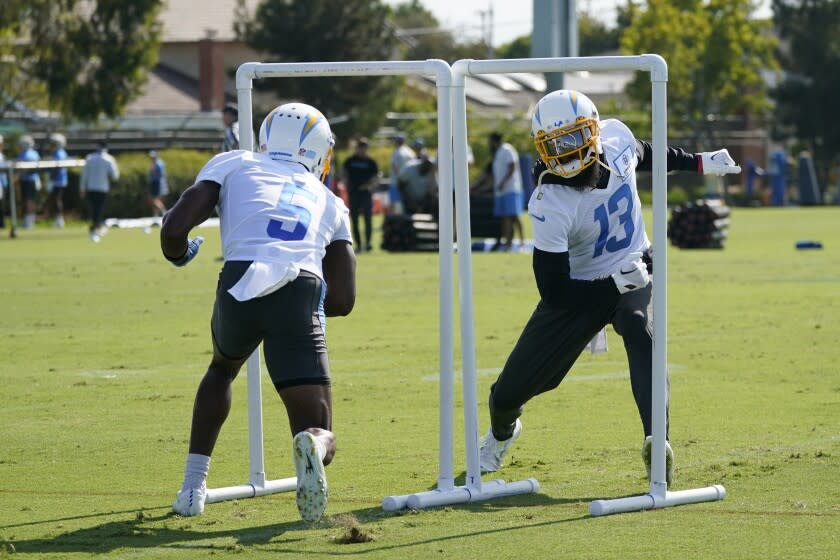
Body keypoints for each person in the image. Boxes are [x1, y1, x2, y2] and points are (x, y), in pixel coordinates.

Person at [478, 90, 742, 486]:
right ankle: (502, 433)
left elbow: (647, 152)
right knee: (506, 395)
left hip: (633, 265)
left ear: (595, 132)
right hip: (578, 289)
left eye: (573, 139)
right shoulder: (550, 200)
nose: (566, 154)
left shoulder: (616, 138)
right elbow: (554, 290)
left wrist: (700, 162)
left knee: (639, 325)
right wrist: (610, 286)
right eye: (555, 145)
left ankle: (658, 442)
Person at [161, 102, 356, 524]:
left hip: (240, 277)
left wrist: (179, 254)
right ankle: (314, 444)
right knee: (320, 430)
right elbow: (343, 300)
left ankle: (193, 488)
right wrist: (307, 309)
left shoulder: (234, 161)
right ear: (320, 151)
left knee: (221, 370)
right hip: (299, 285)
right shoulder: (330, 200)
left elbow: (175, 229)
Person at [341, 137, 379, 252]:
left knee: (368, 219)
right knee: (355, 220)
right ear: (357, 148)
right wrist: (346, 184)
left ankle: (368, 243)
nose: (362, 149)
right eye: (360, 147)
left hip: (366, 193)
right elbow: (343, 173)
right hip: (354, 193)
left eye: (364, 147)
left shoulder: (370, 162)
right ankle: (358, 244)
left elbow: (376, 176)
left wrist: (370, 185)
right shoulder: (350, 161)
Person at [80, 142, 119, 242]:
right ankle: (96, 228)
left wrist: (82, 188)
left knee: (94, 208)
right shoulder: (109, 159)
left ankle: (95, 227)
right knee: (99, 208)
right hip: (102, 188)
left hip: (91, 187)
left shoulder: (90, 158)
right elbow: (115, 176)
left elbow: (84, 175)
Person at [388, 132, 415, 214]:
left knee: (394, 203)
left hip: (397, 181)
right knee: (405, 203)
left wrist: (400, 177)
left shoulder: (397, 152)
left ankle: (393, 222)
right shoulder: (410, 152)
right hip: (408, 182)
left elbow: (395, 167)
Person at [17, 135, 41, 229]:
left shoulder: (32, 154)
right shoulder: (23, 153)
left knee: (29, 201)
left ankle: (29, 221)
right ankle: (27, 220)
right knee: (26, 200)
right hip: (25, 180)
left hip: (31, 180)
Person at [47, 133, 69, 228]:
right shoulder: (59, 152)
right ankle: (58, 219)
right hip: (59, 180)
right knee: (56, 199)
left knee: (57, 199)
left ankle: (59, 220)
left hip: (58, 180)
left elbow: (57, 168)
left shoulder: (58, 153)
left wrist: (51, 179)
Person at [146, 150, 168, 218]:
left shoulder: (158, 164)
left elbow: (159, 175)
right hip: (156, 183)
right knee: (156, 200)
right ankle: (155, 215)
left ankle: (164, 212)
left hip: (157, 183)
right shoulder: (157, 163)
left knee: (155, 200)